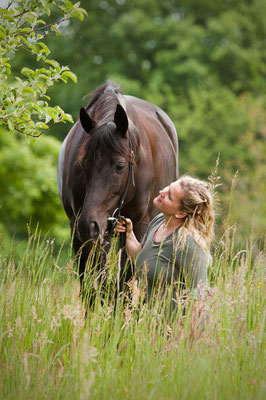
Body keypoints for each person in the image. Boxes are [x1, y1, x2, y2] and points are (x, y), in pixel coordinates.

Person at [116, 175, 215, 315]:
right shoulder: (159, 221)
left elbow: (199, 298)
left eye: (169, 196)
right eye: (169, 187)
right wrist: (128, 234)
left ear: (181, 213)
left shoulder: (190, 243)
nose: (162, 191)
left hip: (172, 331)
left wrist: (190, 335)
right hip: (145, 327)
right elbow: (146, 261)